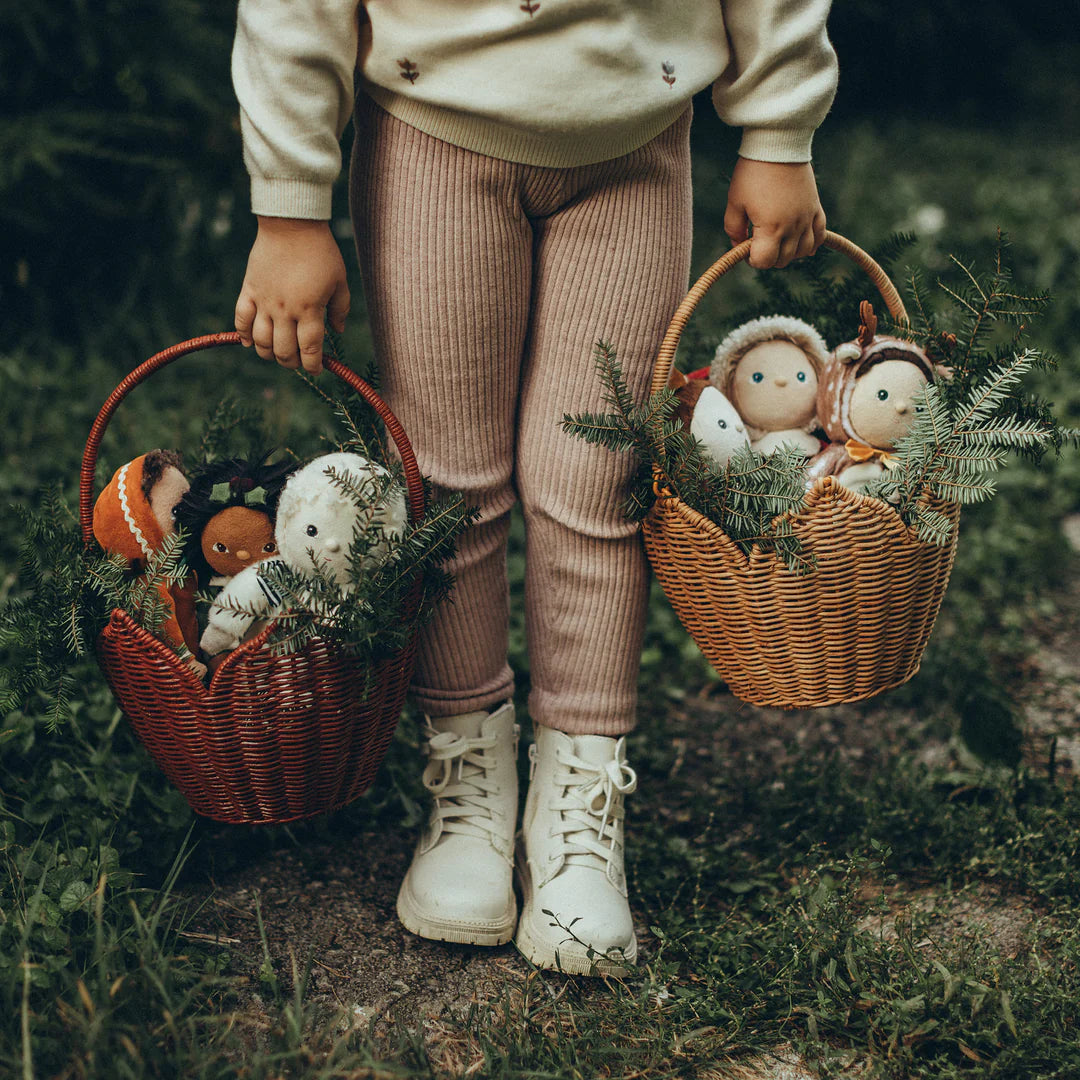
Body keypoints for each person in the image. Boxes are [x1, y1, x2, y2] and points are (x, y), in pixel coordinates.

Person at [231, 0, 837, 975]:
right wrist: (290, 202)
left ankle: (581, 805)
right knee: (448, 484)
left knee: (597, 477)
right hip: (435, 134)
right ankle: (468, 789)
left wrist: (778, 118)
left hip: (632, 139)